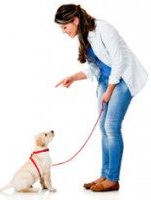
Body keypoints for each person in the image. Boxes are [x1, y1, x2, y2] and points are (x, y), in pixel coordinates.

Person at [54, 4, 148, 192]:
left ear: (75, 20)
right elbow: (96, 67)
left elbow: (119, 61)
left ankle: (113, 179)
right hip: (106, 80)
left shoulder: (103, 29)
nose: (63, 32)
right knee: (104, 129)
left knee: (111, 127)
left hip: (122, 79)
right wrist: (74, 77)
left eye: (65, 27)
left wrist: (109, 90)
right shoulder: (84, 36)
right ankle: (104, 175)